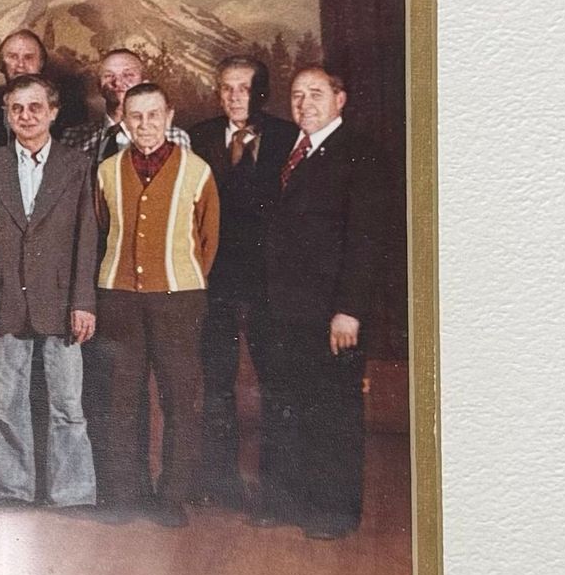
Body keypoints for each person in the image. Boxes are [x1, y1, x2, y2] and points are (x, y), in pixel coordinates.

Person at [259, 64, 384, 540]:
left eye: (316, 93)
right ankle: (286, 501)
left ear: (340, 100)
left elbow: (366, 240)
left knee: (332, 410)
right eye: (297, 94)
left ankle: (334, 510)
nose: (304, 103)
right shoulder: (285, 150)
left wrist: (349, 310)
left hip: (332, 312)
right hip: (282, 309)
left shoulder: (361, 154)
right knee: (285, 404)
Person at [90, 82, 220, 523]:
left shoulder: (197, 171)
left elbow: (208, 238)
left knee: (179, 398)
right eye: (136, 116)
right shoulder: (107, 171)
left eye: (153, 115)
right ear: (124, 120)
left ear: (169, 116)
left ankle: (172, 497)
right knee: (120, 399)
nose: (145, 125)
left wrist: (180, 275)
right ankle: (125, 494)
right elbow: (102, 228)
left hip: (178, 299)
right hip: (119, 299)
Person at [0, 76, 100, 508]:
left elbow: (87, 238)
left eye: (35, 107)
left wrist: (83, 302)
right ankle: (14, 489)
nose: (26, 116)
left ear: (53, 112)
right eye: (17, 109)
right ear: (7, 115)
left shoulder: (77, 165)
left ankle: (73, 493)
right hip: (6, 298)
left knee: (67, 403)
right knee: (8, 402)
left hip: (61, 302)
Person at [187, 54, 295, 512]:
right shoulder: (199, 137)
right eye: (227, 88)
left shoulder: (288, 137)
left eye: (244, 88)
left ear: (260, 92)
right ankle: (221, 484)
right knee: (216, 385)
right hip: (216, 282)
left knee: (277, 383)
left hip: (271, 282)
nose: (235, 97)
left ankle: (276, 490)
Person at [67, 47, 148, 162]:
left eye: (128, 75)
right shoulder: (74, 137)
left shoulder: (168, 137)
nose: (117, 82)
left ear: (144, 85)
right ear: (99, 86)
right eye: (108, 76)